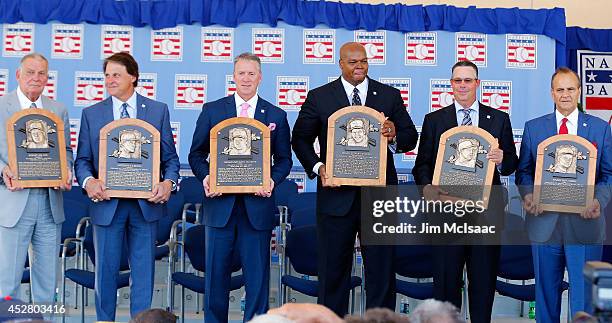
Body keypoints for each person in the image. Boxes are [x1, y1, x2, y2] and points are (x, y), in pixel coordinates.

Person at [291, 42, 418, 316]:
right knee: (333, 271)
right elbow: (300, 139)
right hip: (336, 198)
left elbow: (410, 138)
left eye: (363, 61)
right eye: (353, 62)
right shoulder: (320, 97)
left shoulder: (389, 95)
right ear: (340, 63)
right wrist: (318, 167)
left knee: (382, 273)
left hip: (379, 199)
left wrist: (394, 133)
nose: (359, 66)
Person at [74, 52, 180, 321]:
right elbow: (82, 161)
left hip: (146, 207)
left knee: (143, 274)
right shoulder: (91, 113)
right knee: (105, 274)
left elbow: (170, 159)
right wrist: (89, 181)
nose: (110, 80)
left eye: (116, 75)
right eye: (107, 75)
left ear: (133, 77)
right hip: (106, 205)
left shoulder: (158, 110)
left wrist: (169, 182)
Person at [188, 52, 292, 323]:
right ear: (233, 77)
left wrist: (272, 180)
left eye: (251, 73)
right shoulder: (212, 109)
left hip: (256, 210)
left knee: (257, 281)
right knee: (215, 280)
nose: (246, 78)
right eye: (241, 73)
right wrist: (205, 177)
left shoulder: (276, 115)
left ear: (260, 77)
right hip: (219, 207)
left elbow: (284, 160)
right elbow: (196, 155)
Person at [411, 60, 518, 323]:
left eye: (468, 80)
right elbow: (421, 165)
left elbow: (511, 164)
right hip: (446, 215)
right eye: (457, 80)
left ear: (477, 83)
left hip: (485, 215)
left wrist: (503, 158)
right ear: (451, 84)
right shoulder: (434, 120)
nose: (462, 86)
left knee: (483, 284)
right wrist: (426, 187)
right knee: (446, 285)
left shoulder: (499, 119)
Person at [515, 67, 612, 321]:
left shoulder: (600, 129)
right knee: (546, 296)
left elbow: (608, 174)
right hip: (544, 225)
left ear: (579, 92)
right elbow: (523, 172)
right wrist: (527, 197)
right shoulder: (534, 128)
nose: (565, 94)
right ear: (552, 93)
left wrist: (598, 202)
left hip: (586, 224)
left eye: (571, 89)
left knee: (584, 300)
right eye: (560, 89)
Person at [0, 53, 72, 304]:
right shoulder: (1, 107)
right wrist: (2, 169)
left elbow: (66, 152)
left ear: (47, 78)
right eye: (30, 72)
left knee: (47, 281)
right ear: (18, 74)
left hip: (50, 204)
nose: (36, 78)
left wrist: (67, 170)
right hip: (13, 202)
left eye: (41, 73)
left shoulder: (58, 109)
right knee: (7, 281)